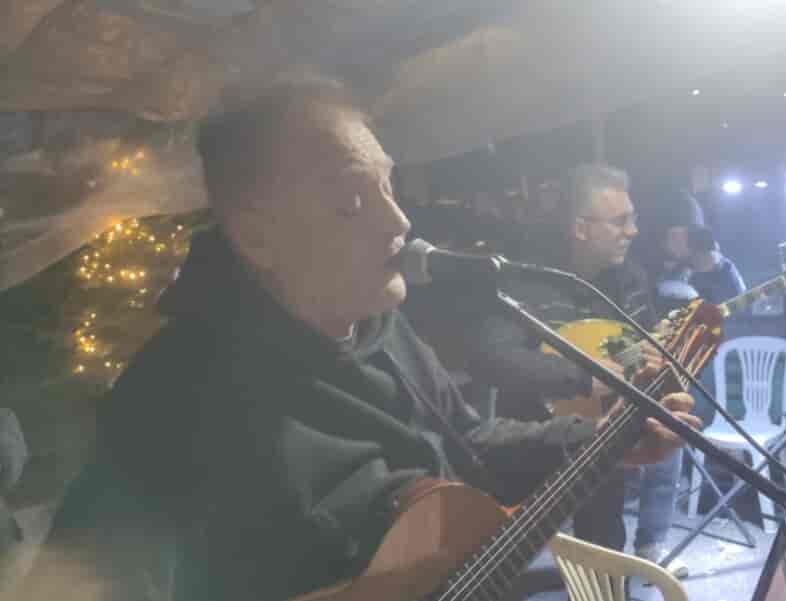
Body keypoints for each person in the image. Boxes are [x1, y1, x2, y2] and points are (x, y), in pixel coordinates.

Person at [18, 74, 699, 601]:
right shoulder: (176, 392)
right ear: (256, 235)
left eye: (389, 185)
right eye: (351, 200)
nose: (398, 221)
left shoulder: (384, 330)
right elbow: (82, 581)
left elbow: (469, 441)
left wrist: (601, 440)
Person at [466, 164, 689, 575]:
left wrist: (658, 358)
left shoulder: (631, 279)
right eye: (620, 221)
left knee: (605, 550)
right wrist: (584, 376)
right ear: (580, 228)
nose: (633, 231)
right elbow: (491, 357)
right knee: (500, 563)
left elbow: (642, 346)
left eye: (633, 219)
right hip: (530, 440)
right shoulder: (523, 281)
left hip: (602, 433)